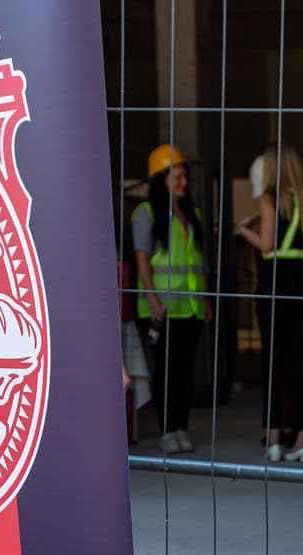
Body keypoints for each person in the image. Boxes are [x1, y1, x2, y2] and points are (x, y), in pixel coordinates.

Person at [236, 145, 303, 463]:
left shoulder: (270, 199)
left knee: (273, 361)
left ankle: (274, 439)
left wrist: (243, 230)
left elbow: (266, 244)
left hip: (277, 281)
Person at [130, 144, 207, 454]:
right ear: (160, 179)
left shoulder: (192, 215)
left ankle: (181, 428)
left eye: (184, 177)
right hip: (161, 309)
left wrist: (206, 300)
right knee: (166, 373)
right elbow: (141, 259)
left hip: (191, 308)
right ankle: (167, 430)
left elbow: (198, 261)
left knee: (185, 373)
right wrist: (151, 299)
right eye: (177, 177)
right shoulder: (146, 214)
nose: (184, 183)